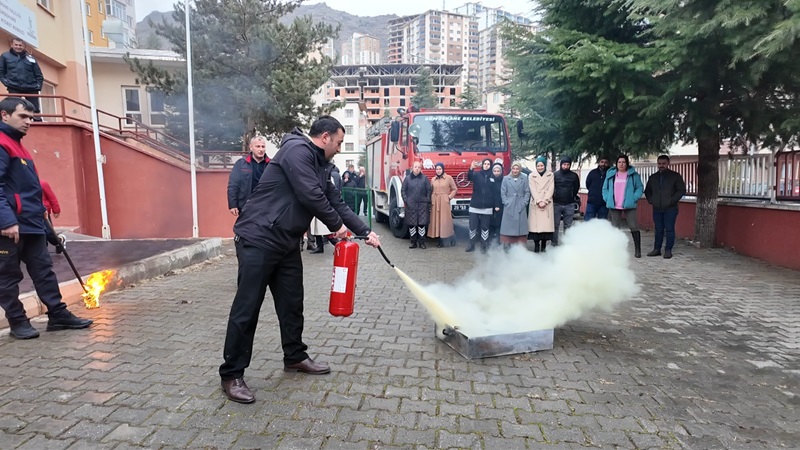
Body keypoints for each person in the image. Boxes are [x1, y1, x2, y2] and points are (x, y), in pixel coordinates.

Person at [219, 116, 380, 404]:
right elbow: (311, 195)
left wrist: (366, 231)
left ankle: (294, 356)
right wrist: (337, 226)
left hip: (286, 243)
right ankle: (231, 374)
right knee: (247, 308)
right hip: (258, 239)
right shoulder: (296, 150)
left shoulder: (322, 165)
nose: (339, 148)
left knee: (292, 303)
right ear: (325, 137)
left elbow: (336, 202)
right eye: (339, 142)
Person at [0, 97, 93, 339]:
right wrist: (6, 221)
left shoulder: (19, 145)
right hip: (10, 227)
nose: (28, 122)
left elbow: (28, 189)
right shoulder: (2, 143)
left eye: (31, 118)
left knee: (44, 272)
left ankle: (58, 315)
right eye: (23, 116)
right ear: (4, 115)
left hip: (32, 224)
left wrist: (42, 217)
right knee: (8, 277)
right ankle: (18, 322)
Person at [602, 154, 644, 258]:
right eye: (619, 162)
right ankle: (614, 250)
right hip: (614, 205)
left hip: (629, 205)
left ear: (627, 163)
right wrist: (607, 198)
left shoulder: (633, 175)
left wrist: (634, 197)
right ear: (616, 164)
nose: (621, 164)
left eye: (623, 162)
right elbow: (605, 189)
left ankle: (638, 250)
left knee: (633, 226)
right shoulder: (611, 175)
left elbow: (639, 187)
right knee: (615, 227)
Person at [644, 155, 686, 259]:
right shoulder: (653, 177)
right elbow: (647, 191)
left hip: (671, 208)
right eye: (659, 163)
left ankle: (668, 250)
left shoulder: (675, 176)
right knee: (658, 229)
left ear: (668, 163)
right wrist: (651, 200)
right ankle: (657, 249)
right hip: (657, 208)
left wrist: (672, 200)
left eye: (663, 163)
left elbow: (681, 190)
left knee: (669, 229)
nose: (661, 165)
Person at [0, 39, 44, 120]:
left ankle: (38, 124)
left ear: (24, 46)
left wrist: (38, 86)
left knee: (35, 109)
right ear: (11, 45)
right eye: (16, 45)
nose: (18, 47)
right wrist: (6, 82)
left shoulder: (31, 58)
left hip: (31, 87)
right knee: (13, 107)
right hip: (14, 86)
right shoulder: (5, 56)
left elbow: (38, 74)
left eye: (20, 45)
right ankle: (14, 123)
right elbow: (1, 72)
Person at [227, 136, 269, 217]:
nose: (261, 149)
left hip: (265, 208)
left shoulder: (270, 165)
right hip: (245, 206)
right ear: (251, 147)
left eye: (263, 146)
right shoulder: (241, 164)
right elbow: (233, 185)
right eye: (258, 146)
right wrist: (233, 205)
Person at [308, 165, 342, 254]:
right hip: (315, 205)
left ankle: (338, 245)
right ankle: (320, 246)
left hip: (322, 205)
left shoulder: (327, 177)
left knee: (325, 230)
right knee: (315, 229)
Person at [466, 158, 495, 253]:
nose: (486, 165)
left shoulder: (493, 176)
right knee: (472, 227)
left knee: (485, 227)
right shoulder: (477, 174)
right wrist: (471, 168)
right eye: (485, 163)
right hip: (475, 205)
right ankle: (471, 245)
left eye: (488, 164)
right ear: (482, 165)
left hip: (487, 206)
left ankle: (483, 246)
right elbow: (469, 177)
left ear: (490, 165)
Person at [401, 161, 432, 249]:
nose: (417, 169)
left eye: (419, 167)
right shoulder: (407, 179)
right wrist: (406, 200)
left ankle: (422, 243)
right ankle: (413, 242)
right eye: (415, 167)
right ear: (412, 168)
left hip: (422, 205)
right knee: (412, 225)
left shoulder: (425, 179)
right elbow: (403, 190)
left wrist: (427, 200)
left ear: (421, 168)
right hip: (411, 205)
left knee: (422, 225)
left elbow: (429, 190)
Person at [500, 162, 531, 249]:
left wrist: (524, 202)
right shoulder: (506, 178)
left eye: (517, 169)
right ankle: (507, 245)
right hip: (509, 204)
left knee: (520, 227)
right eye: (513, 168)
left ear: (520, 169)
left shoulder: (524, 178)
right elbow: (503, 192)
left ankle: (519, 245)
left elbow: (527, 191)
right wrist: (506, 202)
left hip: (520, 203)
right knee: (508, 226)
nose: (515, 170)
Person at [552, 156, 580, 246]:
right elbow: (551, 188)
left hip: (569, 204)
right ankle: (554, 244)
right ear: (561, 164)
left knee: (568, 226)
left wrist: (572, 196)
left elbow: (576, 188)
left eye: (568, 165)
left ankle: (566, 245)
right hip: (556, 203)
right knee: (555, 225)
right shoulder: (555, 175)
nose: (566, 166)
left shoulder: (574, 176)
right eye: (564, 164)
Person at [528, 157, 555, 253]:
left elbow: (551, 188)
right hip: (536, 202)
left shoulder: (550, 175)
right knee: (535, 228)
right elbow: (532, 189)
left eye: (542, 165)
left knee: (545, 228)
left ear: (545, 165)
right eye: (538, 166)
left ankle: (543, 246)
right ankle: (536, 245)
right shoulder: (532, 175)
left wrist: (545, 200)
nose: (540, 167)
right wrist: (539, 201)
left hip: (547, 202)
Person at [429, 162, 457, 248]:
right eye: (437, 169)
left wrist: (449, 197)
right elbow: (430, 190)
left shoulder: (448, 178)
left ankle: (452, 237)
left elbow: (454, 189)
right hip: (435, 201)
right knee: (436, 220)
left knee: (445, 220)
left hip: (444, 201)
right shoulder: (433, 179)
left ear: (443, 169)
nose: (438, 171)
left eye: (440, 169)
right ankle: (439, 240)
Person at [584, 156, 610, 221]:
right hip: (592, 202)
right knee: (588, 222)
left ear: (608, 163)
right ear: (599, 163)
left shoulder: (610, 174)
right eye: (602, 162)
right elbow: (588, 184)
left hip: (604, 203)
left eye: (606, 162)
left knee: (602, 223)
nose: (603, 164)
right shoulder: (592, 173)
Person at [489, 163, 504, 246]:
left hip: (501, 204)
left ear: (501, 172)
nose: (496, 173)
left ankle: (499, 240)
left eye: (498, 171)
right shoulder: (490, 180)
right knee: (490, 223)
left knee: (499, 223)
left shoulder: (504, 180)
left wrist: (498, 205)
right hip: (490, 204)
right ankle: (490, 241)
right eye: (495, 171)